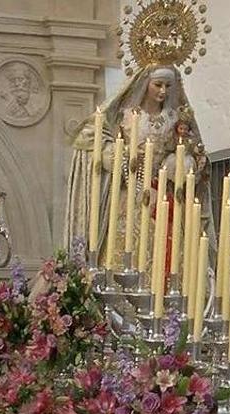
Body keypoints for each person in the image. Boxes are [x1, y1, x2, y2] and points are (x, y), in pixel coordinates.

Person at [64, 63, 213, 266]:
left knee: (168, 249)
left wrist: (182, 162)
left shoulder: (174, 117)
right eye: (158, 84)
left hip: (162, 196)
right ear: (145, 84)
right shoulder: (126, 115)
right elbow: (94, 137)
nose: (163, 91)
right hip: (130, 192)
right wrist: (120, 155)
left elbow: (193, 150)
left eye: (168, 86)